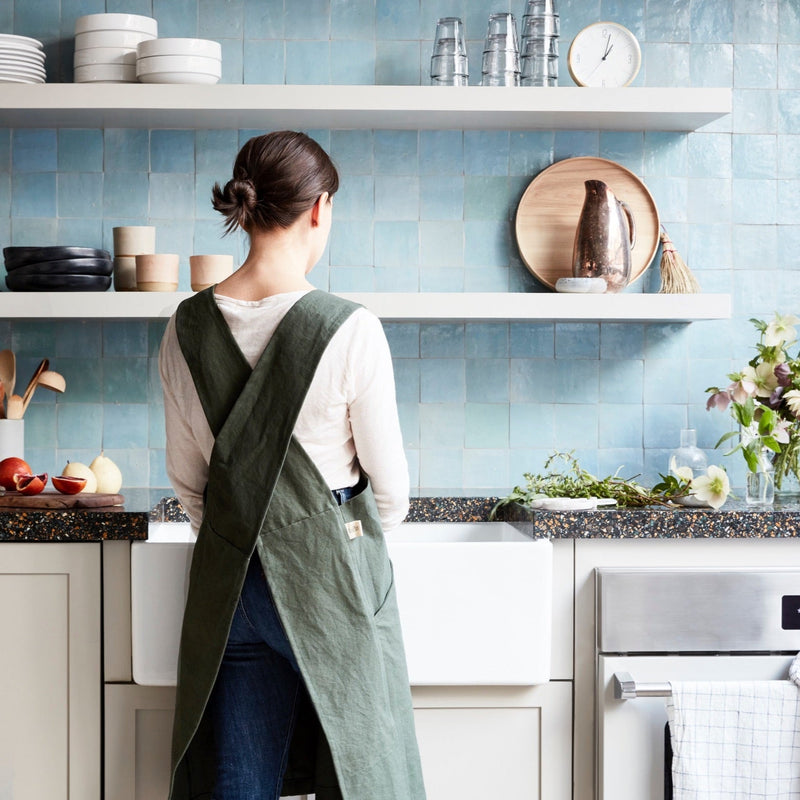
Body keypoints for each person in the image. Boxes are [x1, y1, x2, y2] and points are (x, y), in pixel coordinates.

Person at [158, 130, 426, 800]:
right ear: (318, 208)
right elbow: (390, 493)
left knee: (239, 783)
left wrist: (250, 534)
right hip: (329, 576)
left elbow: (192, 485)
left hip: (232, 588)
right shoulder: (349, 327)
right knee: (364, 768)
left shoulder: (185, 327)